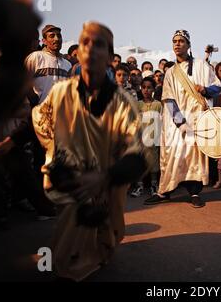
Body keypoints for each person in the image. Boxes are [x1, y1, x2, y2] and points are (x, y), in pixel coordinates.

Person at [32, 21, 149, 280]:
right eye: (86, 44)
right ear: (78, 54)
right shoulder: (60, 93)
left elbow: (136, 154)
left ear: (109, 57)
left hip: (106, 179)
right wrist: (51, 149)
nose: (92, 51)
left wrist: (105, 176)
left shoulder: (122, 102)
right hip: (69, 174)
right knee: (70, 236)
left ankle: (100, 252)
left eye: (100, 46)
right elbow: (40, 117)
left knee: (106, 233)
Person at [144, 29, 221, 208]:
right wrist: (181, 123)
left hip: (197, 120)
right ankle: (164, 192)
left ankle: (194, 193)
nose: (177, 44)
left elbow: (219, 87)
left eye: (181, 41)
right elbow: (168, 98)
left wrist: (206, 90)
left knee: (194, 157)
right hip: (175, 122)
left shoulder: (202, 65)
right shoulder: (171, 72)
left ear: (188, 45)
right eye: (174, 41)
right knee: (172, 154)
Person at [25, 24, 72, 104]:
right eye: (52, 36)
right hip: (40, 113)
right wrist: (34, 100)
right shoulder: (36, 57)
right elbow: (23, 81)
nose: (56, 39)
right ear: (44, 41)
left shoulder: (68, 64)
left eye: (59, 36)